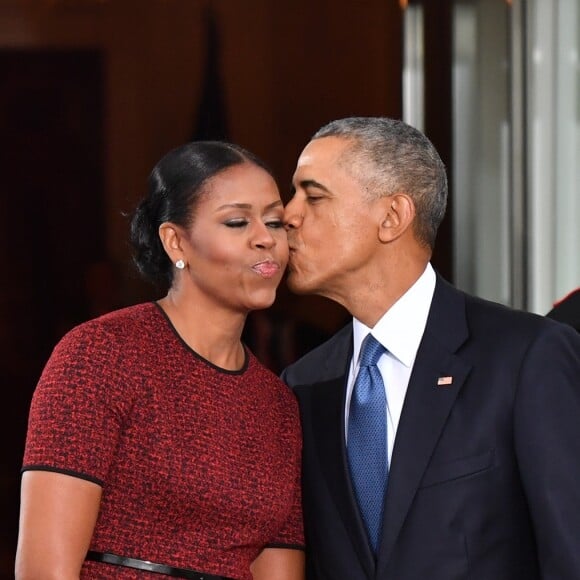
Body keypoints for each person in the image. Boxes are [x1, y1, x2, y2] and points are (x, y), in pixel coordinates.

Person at [281, 116, 580, 579]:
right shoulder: (303, 384)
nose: (288, 214)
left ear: (392, 217)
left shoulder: (525, 357)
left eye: (313, 195)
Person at [16, 141, 305, 580]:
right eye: (236, 221)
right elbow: (43, 570)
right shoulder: (101, 355)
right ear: (175, 241)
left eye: (274, 221)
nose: (266, 239)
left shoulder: (278, 403)